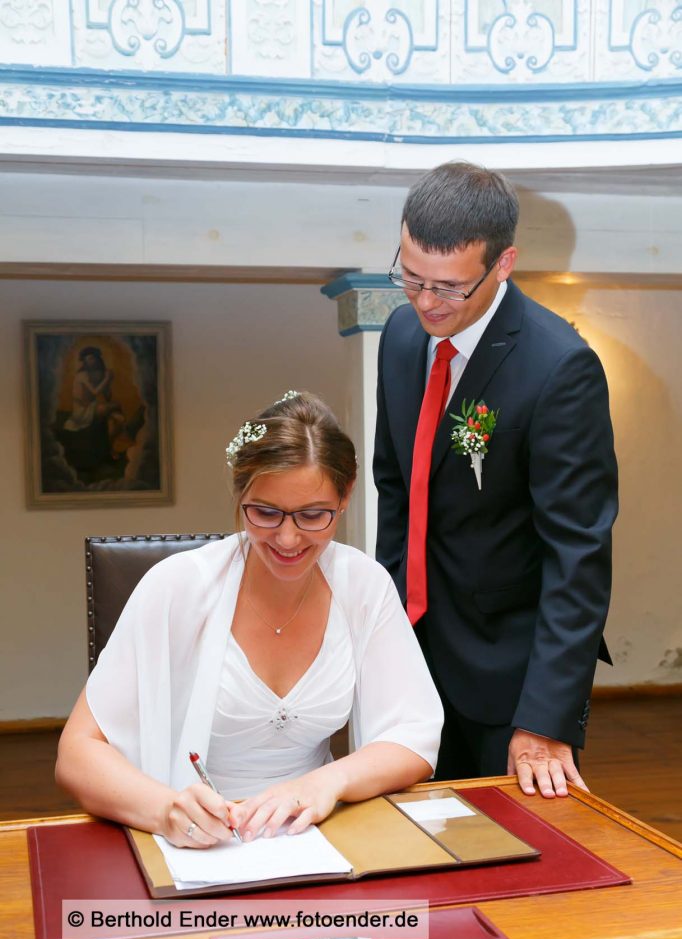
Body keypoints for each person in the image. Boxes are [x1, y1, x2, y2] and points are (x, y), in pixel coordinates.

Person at [56, 392, 443, 847]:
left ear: (346, 495)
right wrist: (165, 809)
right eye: (265, 512)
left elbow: (413, 737)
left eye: (313, 515)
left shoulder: (363, 585)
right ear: (240, 495)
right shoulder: (177, 587)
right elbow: (77, 755)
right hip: (198, 843)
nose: (287, 537)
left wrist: (324, 784)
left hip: (316, 836)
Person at [373, 161, 618, 799]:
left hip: (510, 680)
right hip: (410, 663)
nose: (426, 303)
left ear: (503, 264)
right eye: (410, 276)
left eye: (449, 288)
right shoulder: (400, 338)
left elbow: (578, 552)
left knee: (511, 869)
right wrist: (383, 630)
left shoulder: (559, 367)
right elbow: (395, 490)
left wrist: (545, 718)